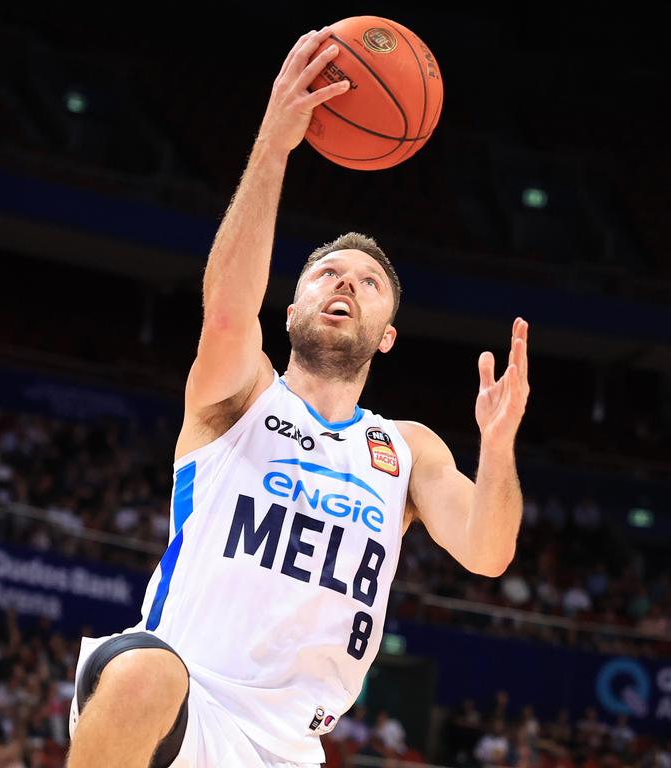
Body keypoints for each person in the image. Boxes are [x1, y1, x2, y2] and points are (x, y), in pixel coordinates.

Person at [67, 24, 530, 768]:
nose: (346, 282)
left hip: (290, 749)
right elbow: (225, 310)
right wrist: (276, 146)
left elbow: (488, 550)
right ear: (288, 313)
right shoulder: (240, 396)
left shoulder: (407, 449)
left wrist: (500, 445)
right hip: (189, 704)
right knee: (145, 671)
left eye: (369, 282)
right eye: (326, 274)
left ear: (387, 336)